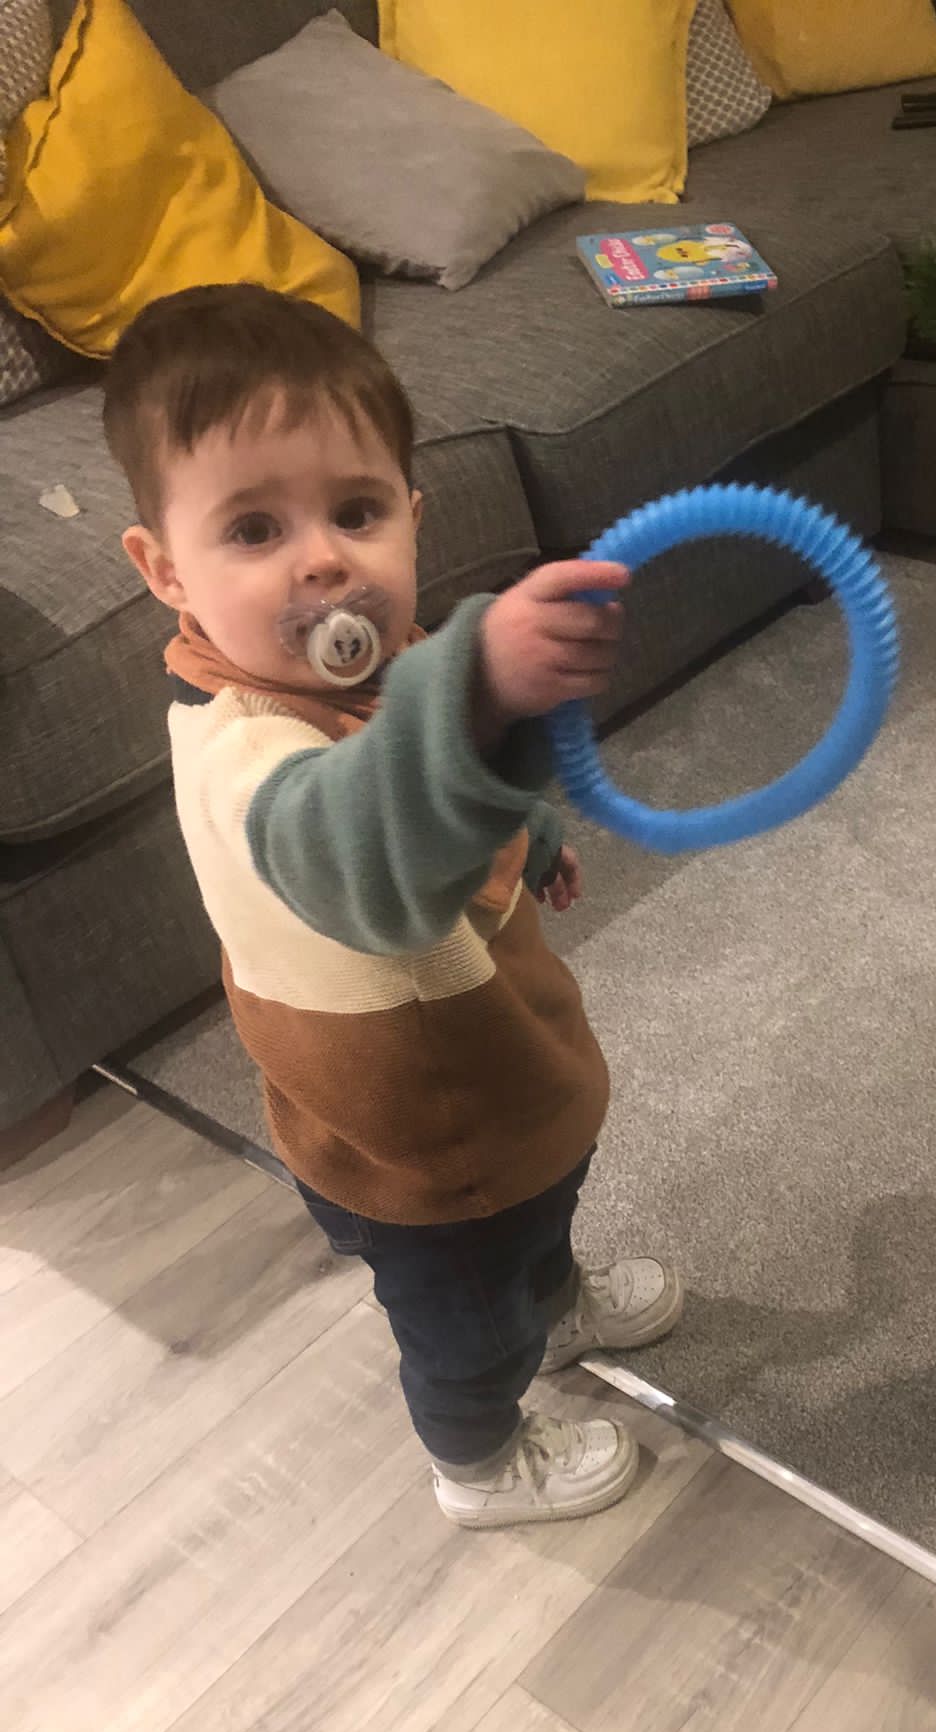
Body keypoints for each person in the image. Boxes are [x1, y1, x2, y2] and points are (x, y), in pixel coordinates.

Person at [104, 283, 683, 1530]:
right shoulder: (243, 752)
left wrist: (528, 830)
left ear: (413, 518)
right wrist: (477, 686)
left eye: (356, 512)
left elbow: (443, 779)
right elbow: (361, 849)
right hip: (421, 1143)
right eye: (254, 528)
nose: (322, 558)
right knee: (466, 1320)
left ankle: (554, 1300)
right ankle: (478, 1460)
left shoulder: (392, 660)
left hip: (498, 1065)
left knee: (542, 1206)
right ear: (166, 570)